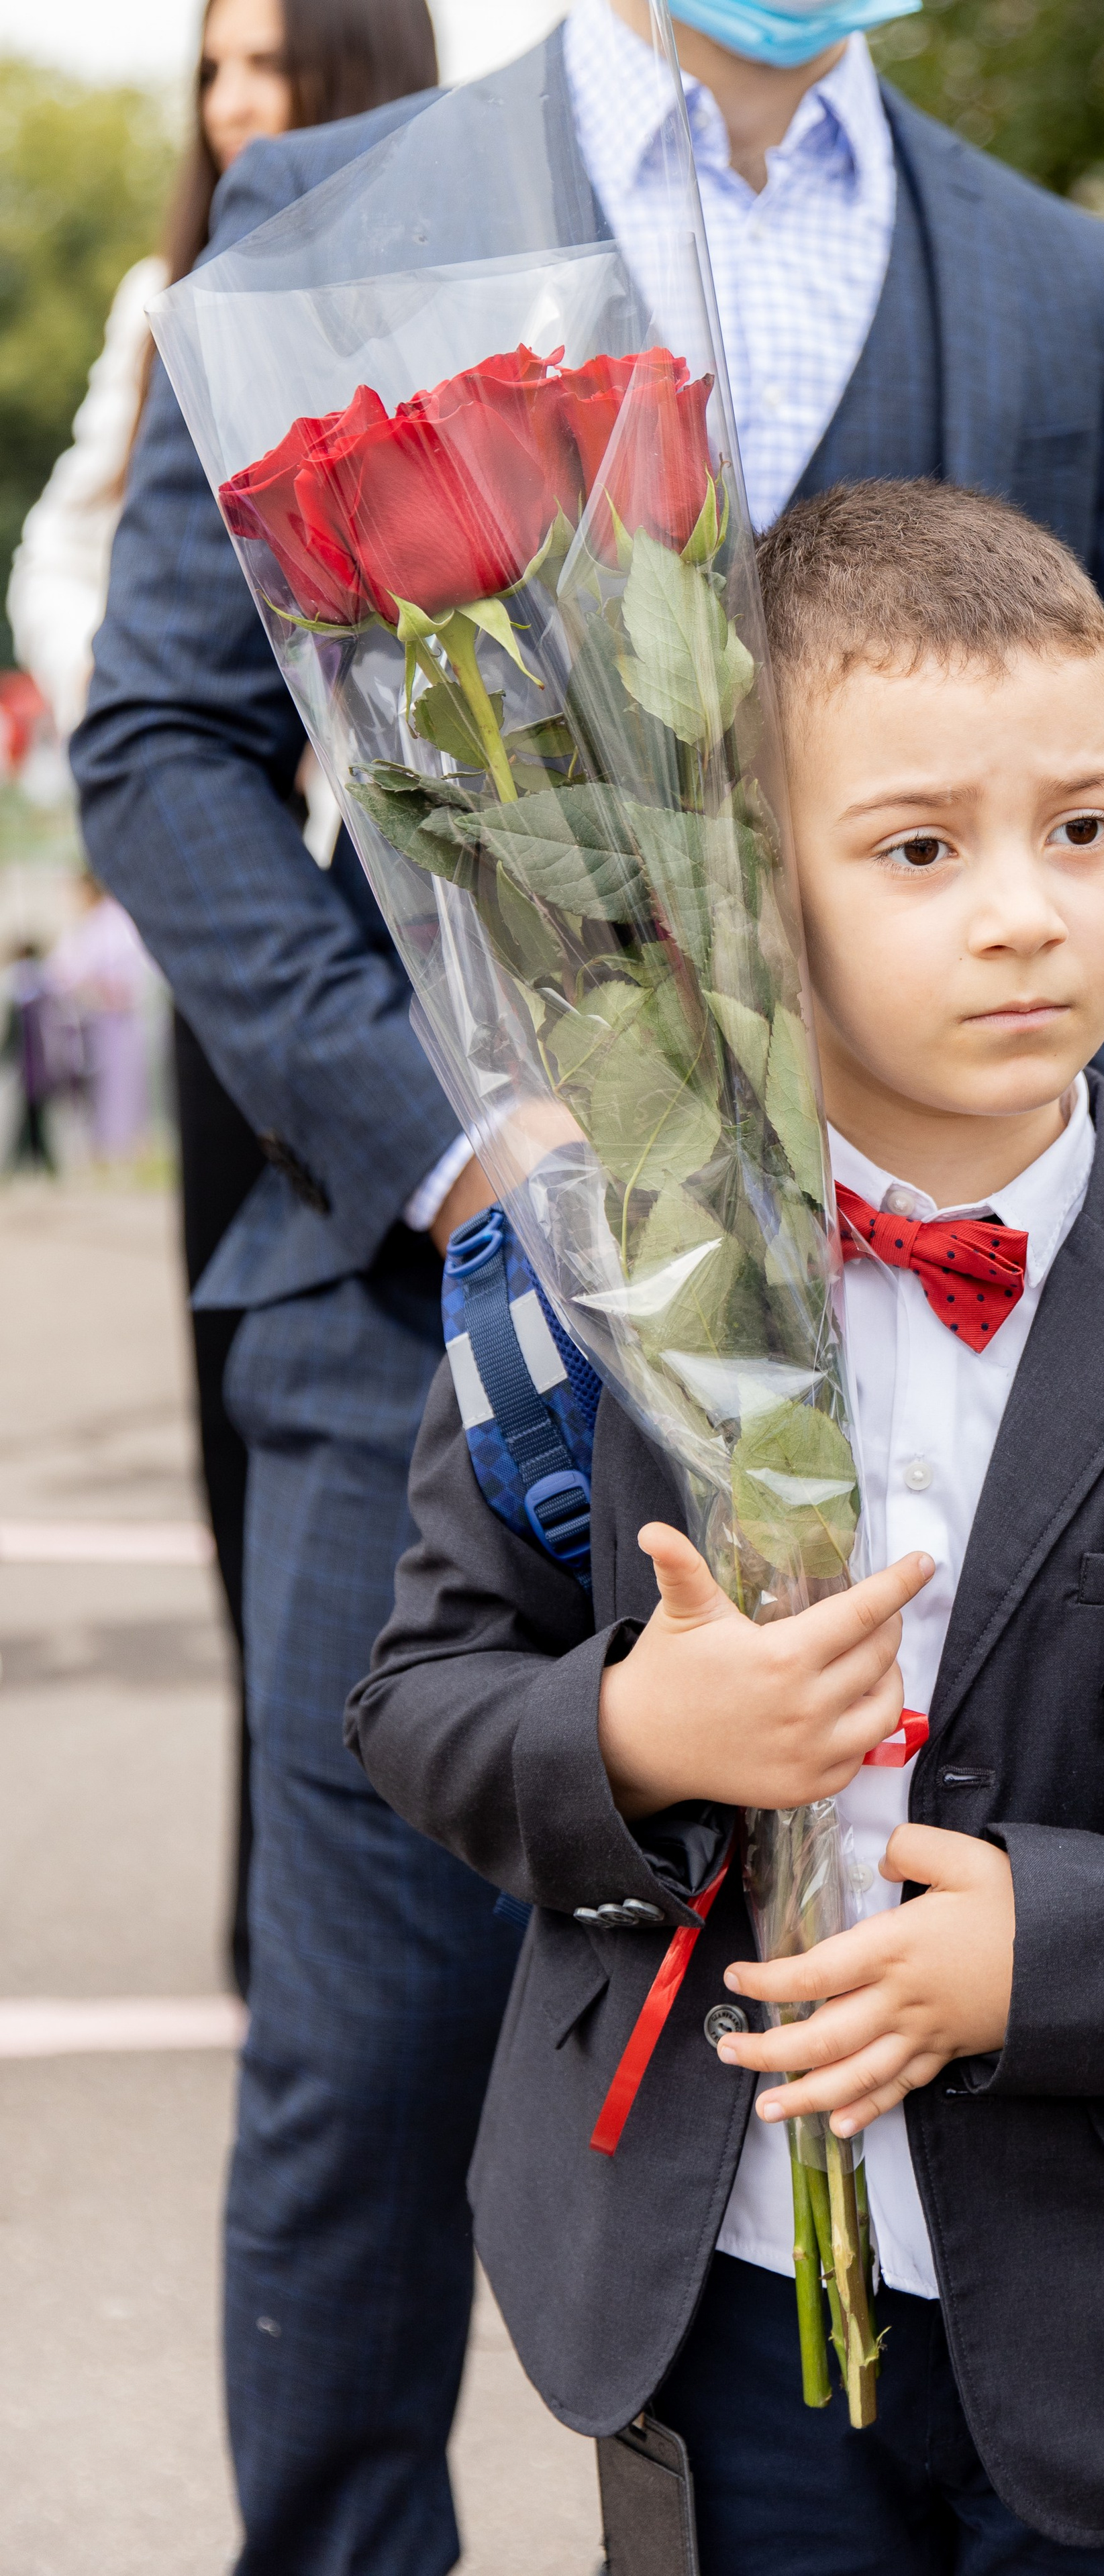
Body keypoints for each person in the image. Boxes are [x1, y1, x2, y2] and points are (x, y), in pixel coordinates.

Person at [71, 9, 1104, 2565]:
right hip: (425, 1349)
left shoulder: (1047, 278)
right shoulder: (329, 219)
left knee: (866, 2083)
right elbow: (156, 742)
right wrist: (474, 1156)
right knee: (366, 2106)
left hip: (922, 1410)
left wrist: (1070, 1257)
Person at [350, 481, 1104, 2575]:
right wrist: (632, 1738)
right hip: (729, 2292)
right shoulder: (596, 1301)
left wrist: (1044, 1947)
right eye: (920, 849)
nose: (1029, 909)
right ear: (754, 893)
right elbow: (416, 1697)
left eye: (1085, 825)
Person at [13, 0, 440, 2000]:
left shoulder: (437, 239)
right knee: (251, 1403)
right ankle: (289, 1860)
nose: (234, 105)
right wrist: (172, 664)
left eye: (269, 67)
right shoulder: (168, 298)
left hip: (431, 912)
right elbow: (71, 558)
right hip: (247, 923)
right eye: (212, 75)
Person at [46, 877, 158, 1163]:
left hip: (120, 1016)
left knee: (124, 1083)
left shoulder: (110, 923)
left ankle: (126, 1144)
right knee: (107, 1085)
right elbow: (65, 972)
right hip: (98, 1018)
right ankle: (112, 1145)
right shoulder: (94, 925)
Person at [3, 942, 61, 1171]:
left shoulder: (29, 993)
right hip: (32, 1066)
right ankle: (39, 1163)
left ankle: (31, 1163)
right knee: (33, 1117)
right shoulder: (40, 991)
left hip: (34, 1066)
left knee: (33, 1117)